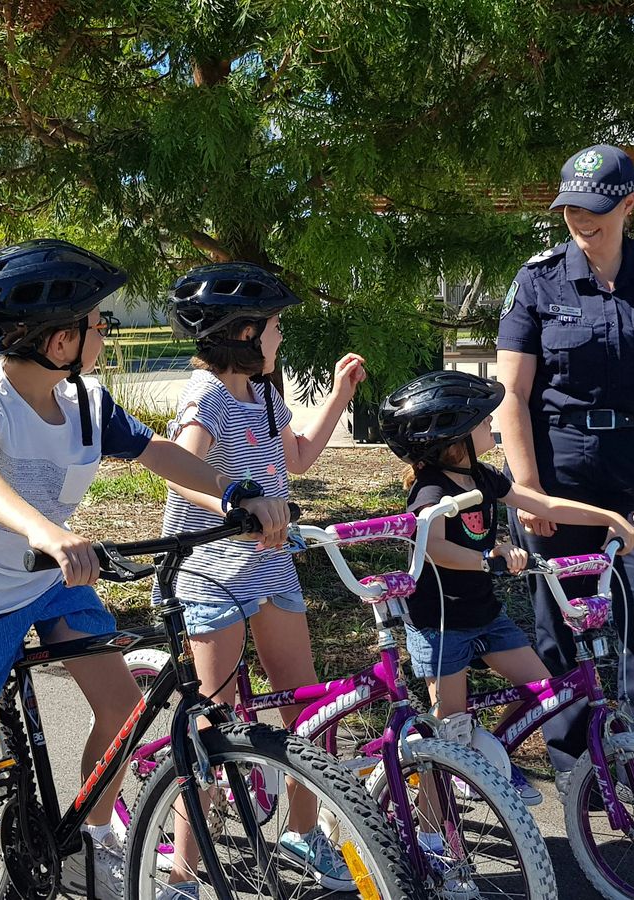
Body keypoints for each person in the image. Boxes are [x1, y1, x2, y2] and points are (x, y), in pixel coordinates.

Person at [0, 239, 289, 900]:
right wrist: (46, 530)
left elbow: (159, 452)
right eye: (98, 323)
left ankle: (85, 843)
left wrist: (234, 494)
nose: (104, 331)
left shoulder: (87, 403)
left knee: (123, 709)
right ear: (60, 340)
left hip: (53, 581)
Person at [494, 144, 634, 817]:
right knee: (562, 623)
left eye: (594, 210)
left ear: (628, 205)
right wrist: (526, 490)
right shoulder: (537, 280)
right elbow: (513, 396)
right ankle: (580, 770)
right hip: (565, 467)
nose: (580, 220)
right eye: (570, 209)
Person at [156, 263, 366, 898]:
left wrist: (337, 397)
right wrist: (236, 500)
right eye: (274, 328)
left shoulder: (266, 396)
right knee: (213, 726)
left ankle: (303, 835)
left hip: (270, 567)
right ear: (243, 333)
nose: (279, 339)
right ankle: (185, 871)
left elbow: (297, 457)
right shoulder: (206, 399)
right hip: (213, 575)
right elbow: (178, 474)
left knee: (309, 708)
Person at [377, 370, 634, 811]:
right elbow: (435, 546)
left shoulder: (482, 477)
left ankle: (482, 758)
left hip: (485, 614)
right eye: (482, 422)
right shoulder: (431, 489)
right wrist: (488, 558)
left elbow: (544, 504)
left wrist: (609, 518)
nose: (491, 427)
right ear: (455, 437)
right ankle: (431, 832)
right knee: (447, 739)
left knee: (544, 692)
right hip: (441, 625)